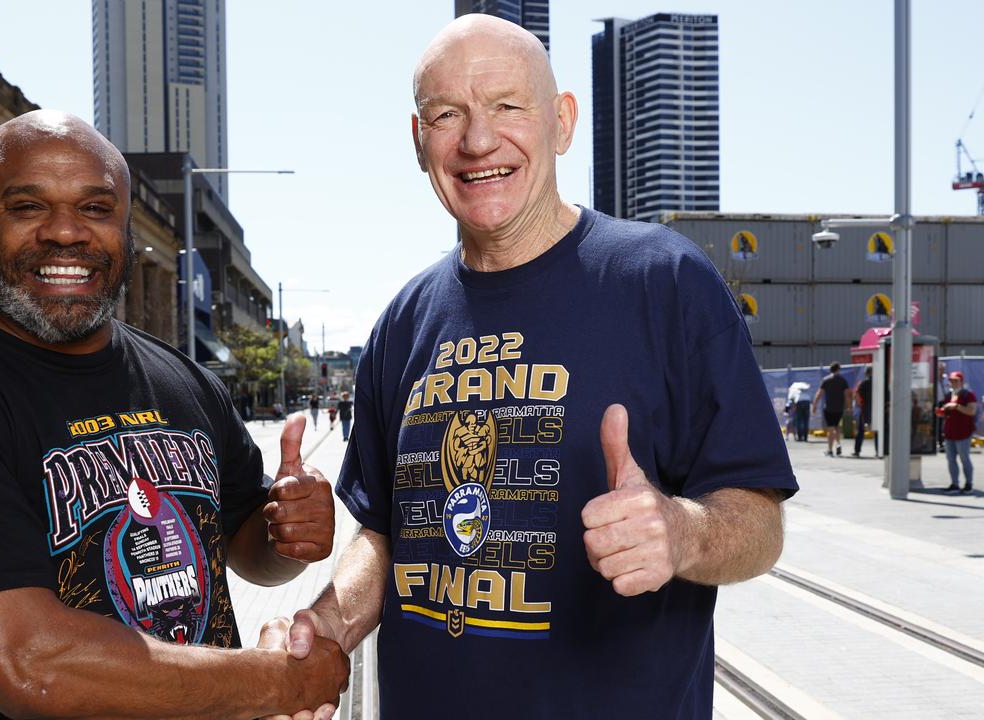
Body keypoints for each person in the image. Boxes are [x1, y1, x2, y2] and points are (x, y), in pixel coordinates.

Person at [258, 15, 796, 719]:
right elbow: (388, 538)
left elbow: (759, 522)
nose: (479, 140)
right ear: (419, 143)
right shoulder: (403, 321)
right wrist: (324, 626)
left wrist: (682, 531)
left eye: (508, 105)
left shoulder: (666, 283)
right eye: (448, 114)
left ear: (562, 121)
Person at [0, 111, 347, 719]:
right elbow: (34, 668)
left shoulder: (184, 381)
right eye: (27, 207)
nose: (65, 233)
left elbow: (246, 552)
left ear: (126, 227)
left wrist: (288, 532)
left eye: (96, 209)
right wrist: (281, 683)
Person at [941, 370, 977, 493]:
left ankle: (969, 484)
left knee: (964, 458)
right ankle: (954, 484)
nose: (953, 383)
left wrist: (956, 406)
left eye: (956, 380)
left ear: (961, 381)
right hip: (950, 432)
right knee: (951, 459)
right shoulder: (948, 395)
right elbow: (945, 412)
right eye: (951, 380)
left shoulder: (968, 395)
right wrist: (941, 411)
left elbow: (972, 411)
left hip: (964, 432)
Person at [813, 362, 849, 457]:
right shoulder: (842, 380)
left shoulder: (826, 380)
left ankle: (830, 449)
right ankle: (838, 444)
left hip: (829, 408)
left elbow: (819, 393)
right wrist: (848, 406)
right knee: (837, 427)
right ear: (838, 369)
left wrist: (814, 405)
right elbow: (847, 394)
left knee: (831, 428)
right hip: (839, 408)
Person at [852, 367, 873, 457]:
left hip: (864, 409)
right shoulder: (880, 382)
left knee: (861, 430)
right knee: (879, 430)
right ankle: (880, 451)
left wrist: (860, 404)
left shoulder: (864, 383)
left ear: (867, 373)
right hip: (876, 408)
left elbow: (856, 393)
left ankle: (857, 450)